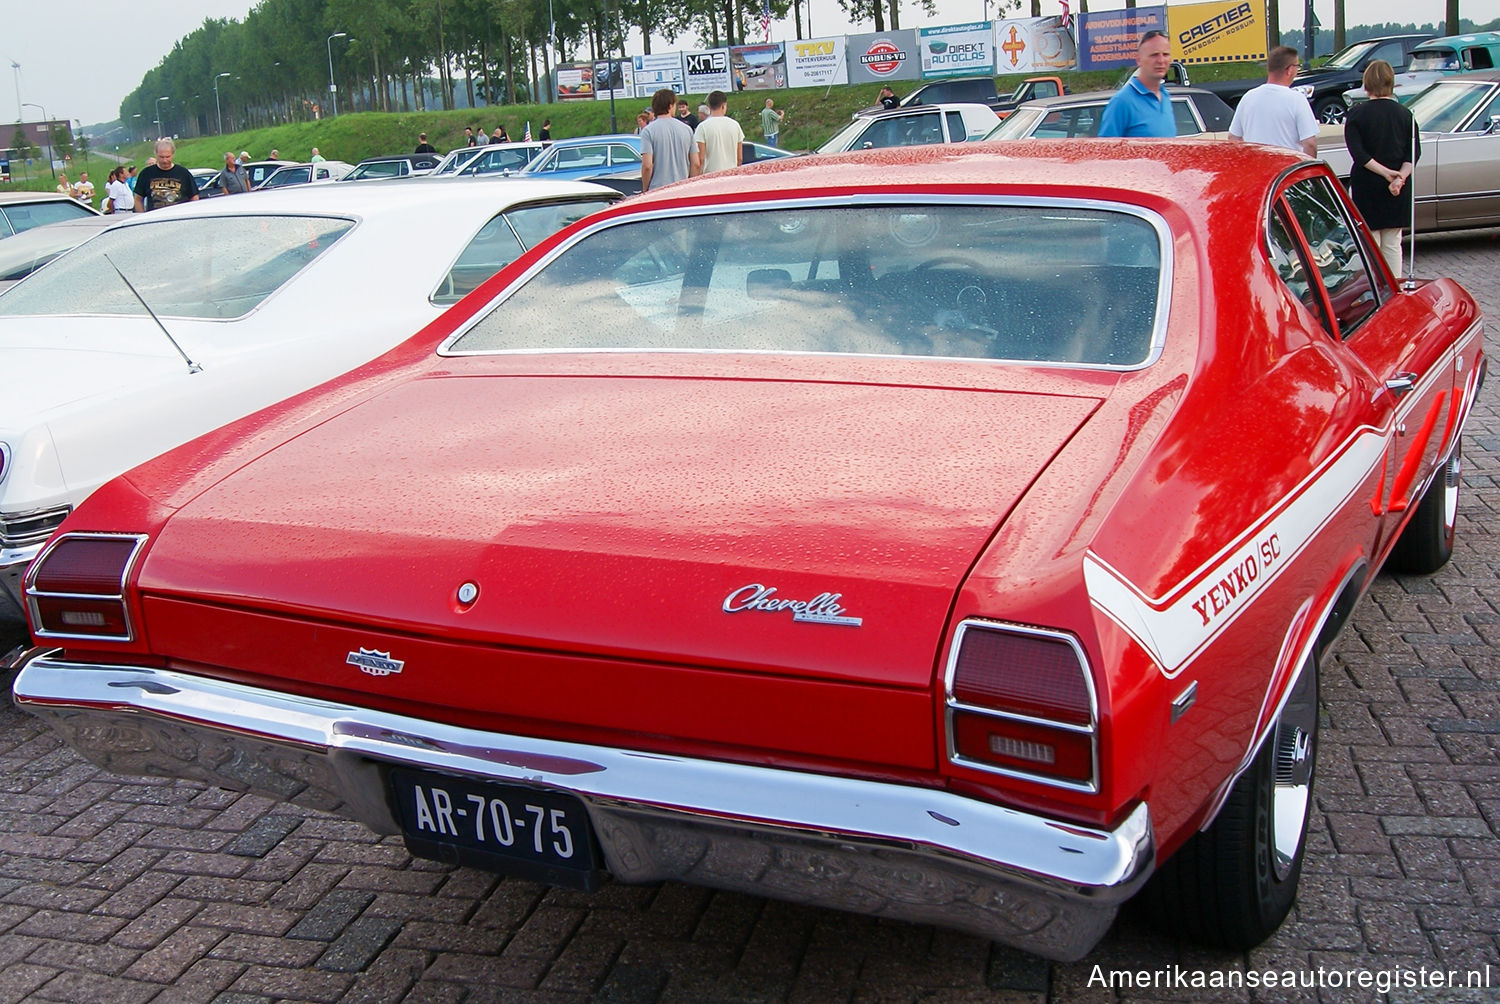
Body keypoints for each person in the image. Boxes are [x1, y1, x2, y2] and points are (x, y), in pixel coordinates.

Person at [1345, 59, 1420, 276]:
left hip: (1368, 184)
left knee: (1371, 242)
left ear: (1366, 83)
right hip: (1397, 187)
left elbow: (1359, 154)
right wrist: (1400, 178)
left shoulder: (1357, 114)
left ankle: (1376, 288)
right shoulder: (1406, 115)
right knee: (1393, 243)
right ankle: (1395, 285)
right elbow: (1413, 152)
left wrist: (1384, 172)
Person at [1227, 46, 1319, 157]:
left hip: (1257, 168)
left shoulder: (1248, 97)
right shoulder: (1297, 100)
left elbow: (1233, 138)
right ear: (1289, 70)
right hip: (1287, 170)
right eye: (1297, 66)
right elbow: (1310, 144)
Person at [1098, 30, 1177, 138]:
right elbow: (1106, 151)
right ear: (1139, 60)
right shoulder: (1122, 102)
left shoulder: (1165, 96)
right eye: (1154, 55)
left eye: (1166, 54)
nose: (1161, 60)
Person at [640, 88, 697, 192]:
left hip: (657, 190)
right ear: (670, 106)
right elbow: (696, 163)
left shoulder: (648, 131)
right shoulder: (687, 129)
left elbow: (647, 166)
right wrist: (690, 185)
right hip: (682, 188)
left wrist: (645, 190)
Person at [132, 139, 199, 212]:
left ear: (173, 154)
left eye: (167, 157)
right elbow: (138, 199)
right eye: (161, 157)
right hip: (155, 219)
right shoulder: (146, 173)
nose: (164, 160)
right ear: (156, 154)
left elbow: (194, 197)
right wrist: (142, 217)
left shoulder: (183, 173)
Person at [694, 90, 744, 175]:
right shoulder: (735, 125)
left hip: (710, 176)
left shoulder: (702, 127)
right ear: (723, 105)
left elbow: (701, 158)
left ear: (709, 107)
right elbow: (739, 158)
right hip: (730, 175)